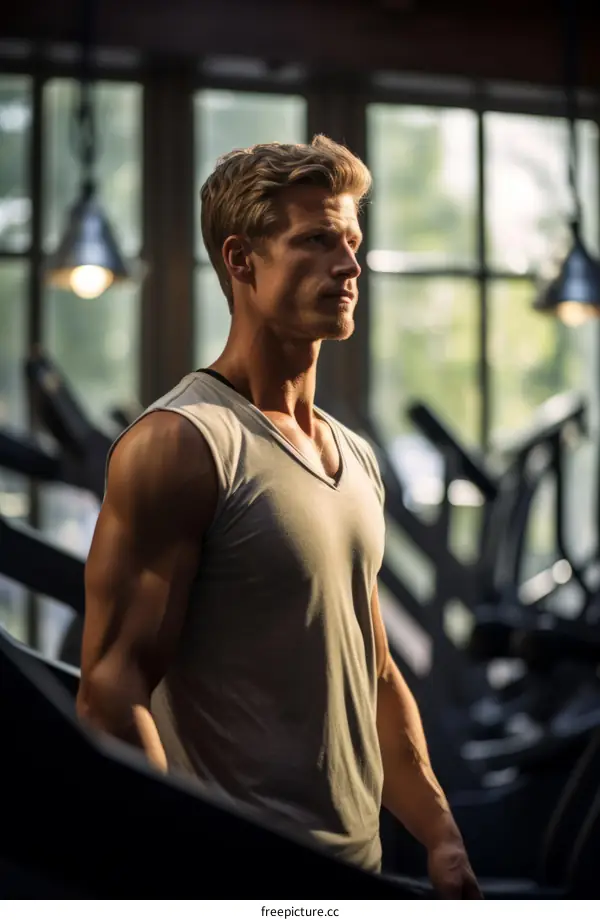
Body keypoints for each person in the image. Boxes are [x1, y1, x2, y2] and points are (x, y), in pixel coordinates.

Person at [76, 134, 481, 899]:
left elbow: (374, 672)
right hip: (237, 882)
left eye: (352, 241)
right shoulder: (182, 445)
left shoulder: (355, 457)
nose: (349, 264)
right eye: (317, 240)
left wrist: (441, 836)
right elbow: (110, 691)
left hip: (358, 875)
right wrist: (172, 877)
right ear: (241, 260)